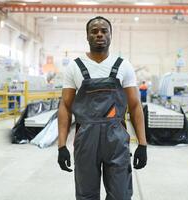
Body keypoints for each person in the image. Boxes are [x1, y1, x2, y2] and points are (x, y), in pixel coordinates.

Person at [57, 16, 147, 200]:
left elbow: (135, 105)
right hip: (85, 138)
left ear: (111, 35)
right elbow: (65, 107)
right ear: (87, 36)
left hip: (116, 139)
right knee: (86, 194)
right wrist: (61, 146)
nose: (99, 34)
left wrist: (142, 144)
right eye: (94, 31)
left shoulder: (123, 66)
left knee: (120, 195)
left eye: (104, 30)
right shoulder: (74, 67)